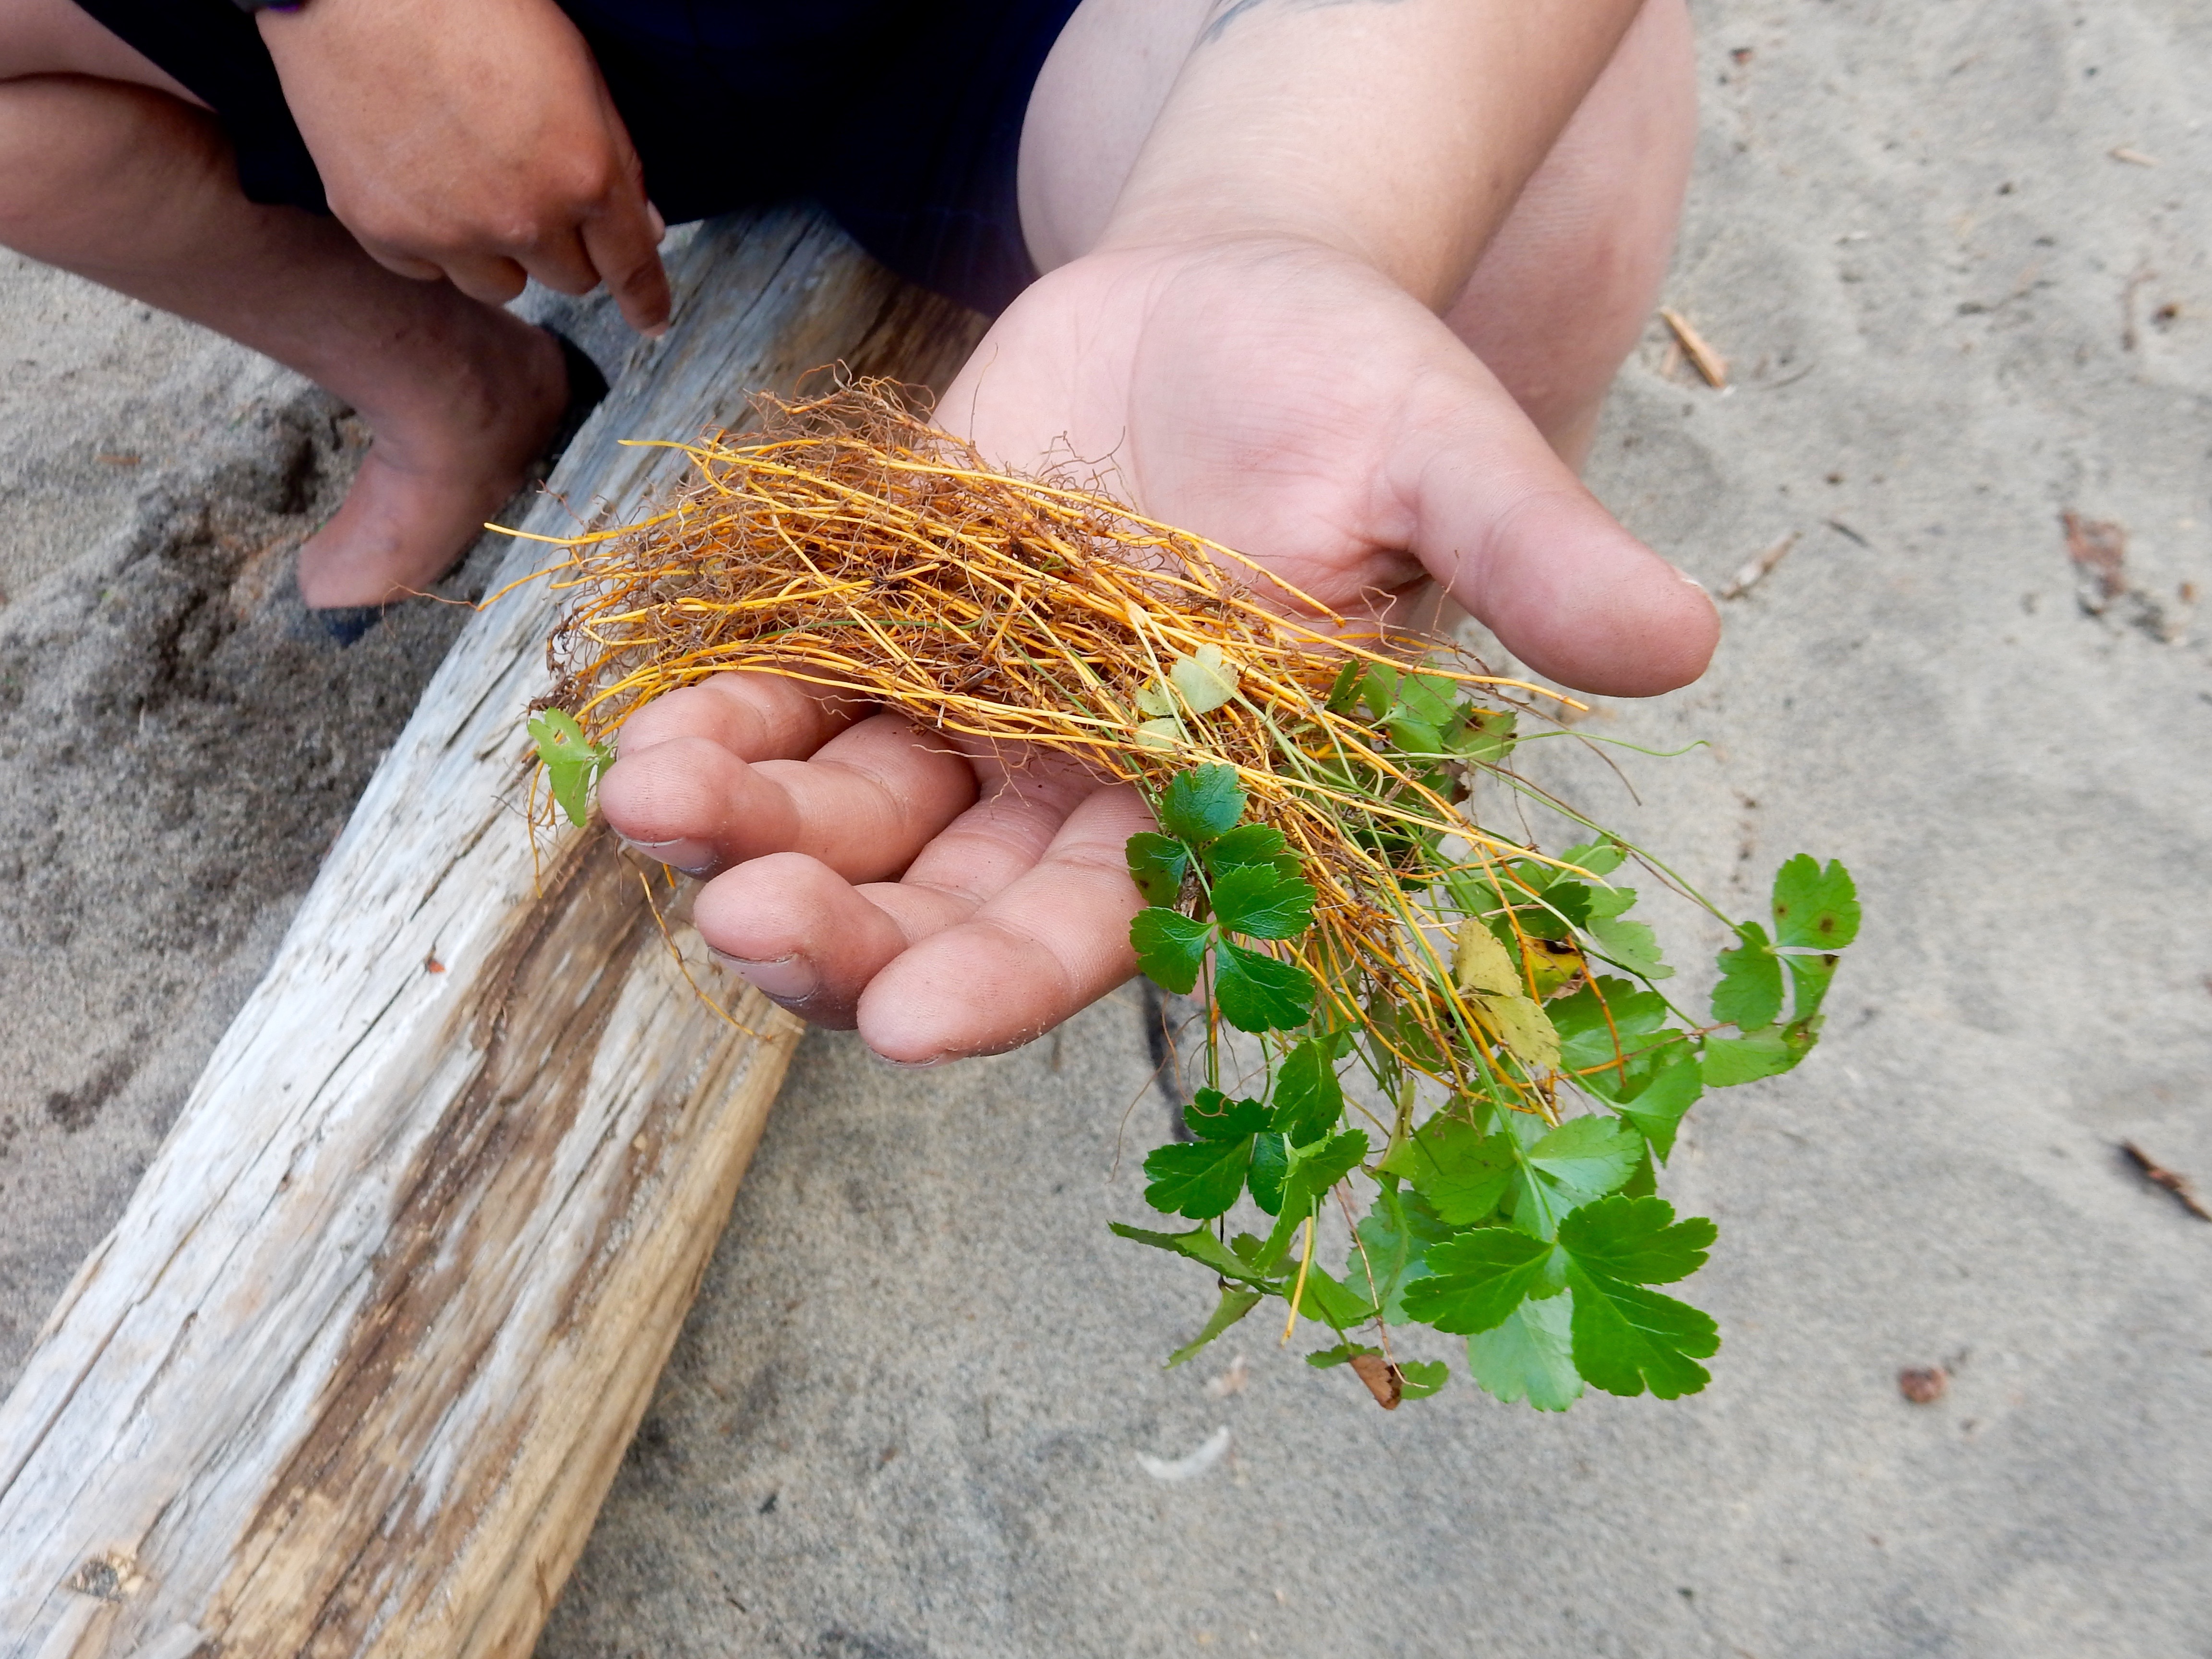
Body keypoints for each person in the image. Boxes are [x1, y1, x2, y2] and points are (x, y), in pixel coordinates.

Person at [0, 0, 1718, 1062]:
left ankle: (1316, 739)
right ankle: (455, 380)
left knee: (1542, 152)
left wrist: (1271, 218)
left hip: (1047, 34)